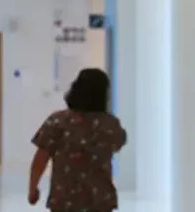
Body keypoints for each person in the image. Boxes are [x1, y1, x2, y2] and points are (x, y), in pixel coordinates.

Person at [28, 68, 127, 211]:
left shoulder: (57, 121)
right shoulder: (110, 125)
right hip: (99, 199)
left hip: (64, 199)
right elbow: (118, 144)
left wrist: (32, 189)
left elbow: (40, 160)